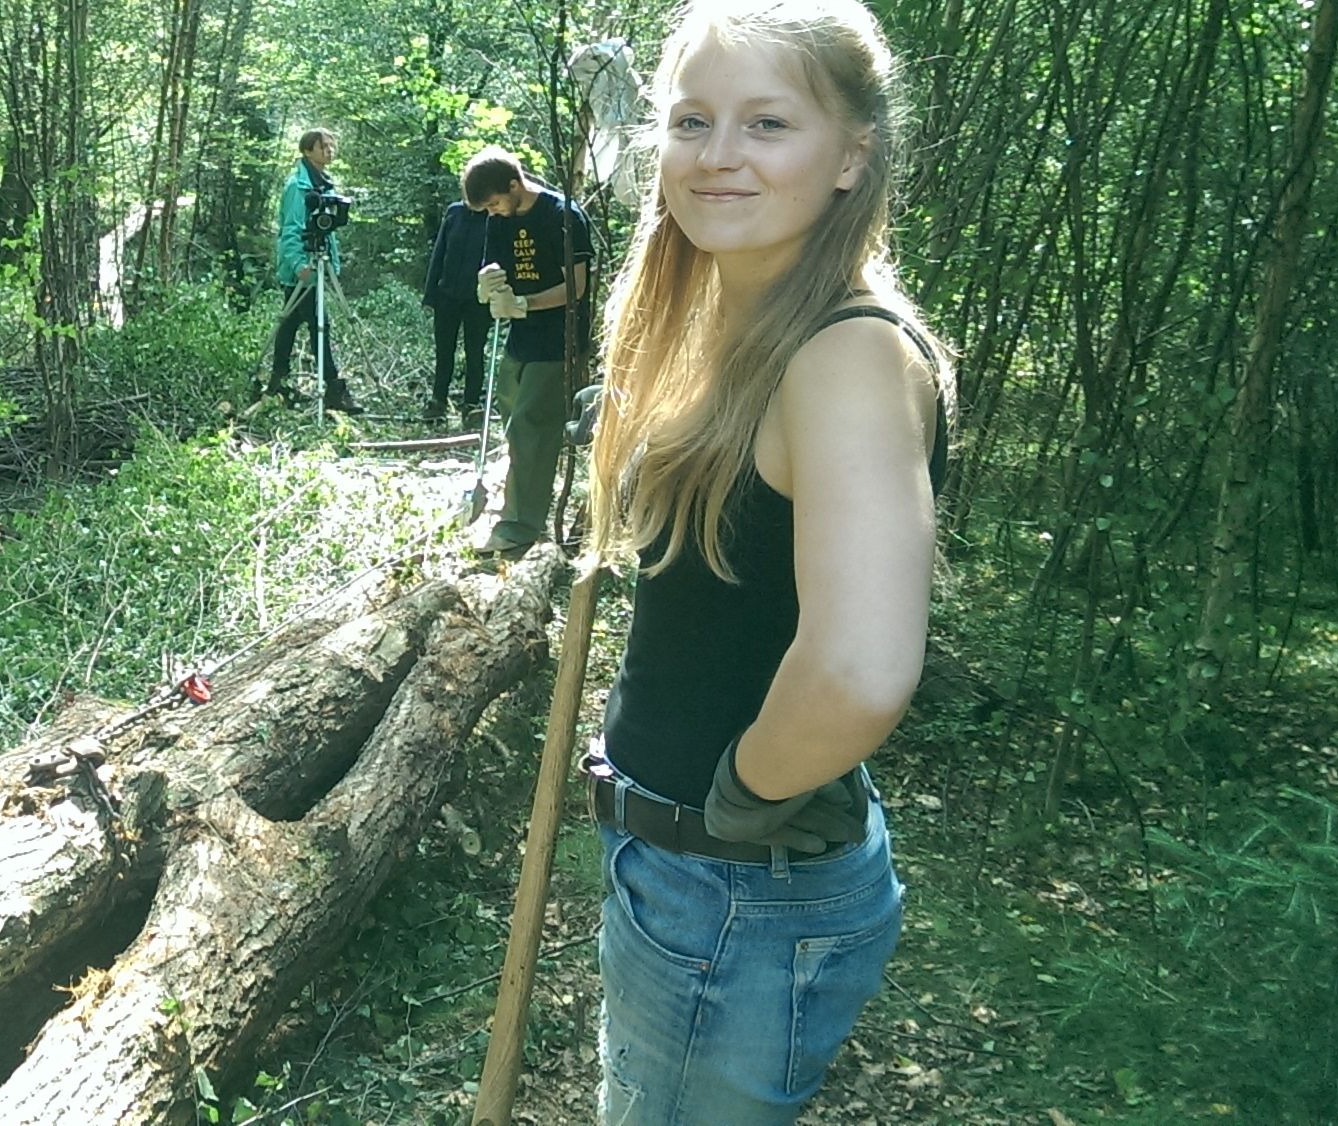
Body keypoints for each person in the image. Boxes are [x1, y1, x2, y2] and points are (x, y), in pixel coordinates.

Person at [576, 0, 953, 1121]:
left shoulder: (847, 357)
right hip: (699, 887)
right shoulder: (748, 331)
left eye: (769, 123)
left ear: (853, 156)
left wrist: (731, 804)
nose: (719, 154)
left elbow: (858, 673)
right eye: (693, 119)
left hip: (731, 895)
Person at [466, 147, 594, 553]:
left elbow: (577, 287)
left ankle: (520, 526)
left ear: (513, 185)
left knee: (532, 427)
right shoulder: (499, 221)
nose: (493, 213)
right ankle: (517, 500)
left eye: (495, 203)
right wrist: (489, 285)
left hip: (559, 339)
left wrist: (524, 303)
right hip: (519, 338)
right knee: (513, 424)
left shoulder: (562, 216)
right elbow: (496, 267)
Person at [266, 129, 361, 414]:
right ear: (308, 150)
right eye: (323, 146)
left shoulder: (322, 184)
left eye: (332, 145)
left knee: (290, 323)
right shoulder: (298, 186)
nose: (329, 151)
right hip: (304, 270)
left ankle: (276, 381)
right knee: (320, 324)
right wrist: (299, 266)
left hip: (315, 265)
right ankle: (333, 388)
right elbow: (291, 231)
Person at [421, 191, 504, 424]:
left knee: (475, 352)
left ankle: (471, 404)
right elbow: (439, 254)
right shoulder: (454, 212)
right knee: (444, 351)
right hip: (447, 295)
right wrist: (431, 294)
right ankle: (438, 401)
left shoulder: (494, 218)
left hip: (478, 300)